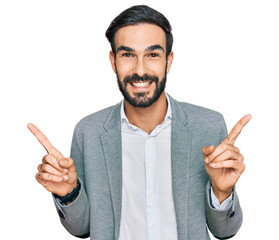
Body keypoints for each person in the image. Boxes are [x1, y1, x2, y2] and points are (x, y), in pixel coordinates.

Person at [28, 5, 251, 240]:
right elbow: (82, 229)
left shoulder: (208, 125)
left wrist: (222, 191)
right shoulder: (89, 132)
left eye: (153, 55)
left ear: (169, 60)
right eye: (128, 55)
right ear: (113, 61)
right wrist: (69, 194)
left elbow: (224, 231)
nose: (141, 70)